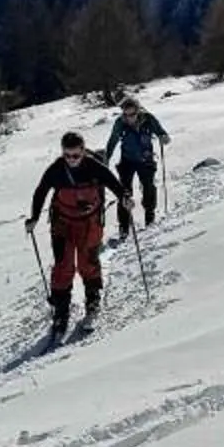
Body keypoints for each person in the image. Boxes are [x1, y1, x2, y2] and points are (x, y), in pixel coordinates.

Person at [25, 131, 115, 337]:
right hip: (63, 223)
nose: (71, 159)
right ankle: (61, 311)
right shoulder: (57, 169)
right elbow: (41, 191)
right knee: (63, 266)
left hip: (90, 223)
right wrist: (34, 217)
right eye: (67, 155)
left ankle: (92, 303)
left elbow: (112, 181)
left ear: (83, 151)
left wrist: (125, 196)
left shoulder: (93, 166)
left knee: (88, 263)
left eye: (75, 155)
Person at [110, 97, 170, 236]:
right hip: (127, 161)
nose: (129, 118)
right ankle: (124, 226)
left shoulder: (148, 119)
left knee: (148, 187)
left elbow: (160, 131)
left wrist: (163, 137)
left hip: (145, 159)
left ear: (138, 111)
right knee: (124, 192)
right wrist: (107, 157)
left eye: (132, 114)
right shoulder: (120, 123)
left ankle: (150, 217)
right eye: (126, 114)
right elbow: (112, 140)